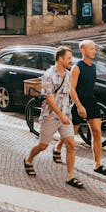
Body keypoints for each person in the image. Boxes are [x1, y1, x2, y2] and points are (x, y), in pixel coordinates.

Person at [24, 46, 84, 189]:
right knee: (43, 146)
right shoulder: (48, 75)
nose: (71, 60)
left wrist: (79, 106)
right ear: (60, 59)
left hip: (65, 115)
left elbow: (70, 92)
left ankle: (70, 177)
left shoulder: (68, 75)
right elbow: (49, 98)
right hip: (50, 116)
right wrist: (61, 115)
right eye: (68, 58)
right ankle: (29, 159)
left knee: (70, 143)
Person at [54, 40, 106, 177]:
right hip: (78, 103)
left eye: (94, 49)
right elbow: (71, 89)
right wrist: (79, 106)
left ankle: (97, 164)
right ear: (83, 51)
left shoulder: (93, 67)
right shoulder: (77, 67)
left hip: (91, 102)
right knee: (71, 133)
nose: (94, 51)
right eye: (91, 49)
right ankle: (57, 146)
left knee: (97, 132)